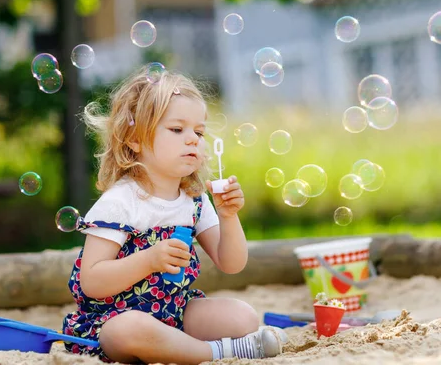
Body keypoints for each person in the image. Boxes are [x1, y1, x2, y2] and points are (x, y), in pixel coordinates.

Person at [62, 66, 287, 364]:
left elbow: (232, 264)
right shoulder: (121, 201)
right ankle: (216, 352)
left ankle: (178, 345)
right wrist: (150, 259)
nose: (193, 139)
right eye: (177, 129)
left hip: (176, 311)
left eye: (199, 131)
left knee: (242, 317)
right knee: (128, 330)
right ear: (134, 139)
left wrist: (229, 216)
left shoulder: (194, 201)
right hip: (116, 318)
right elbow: (91, 281)